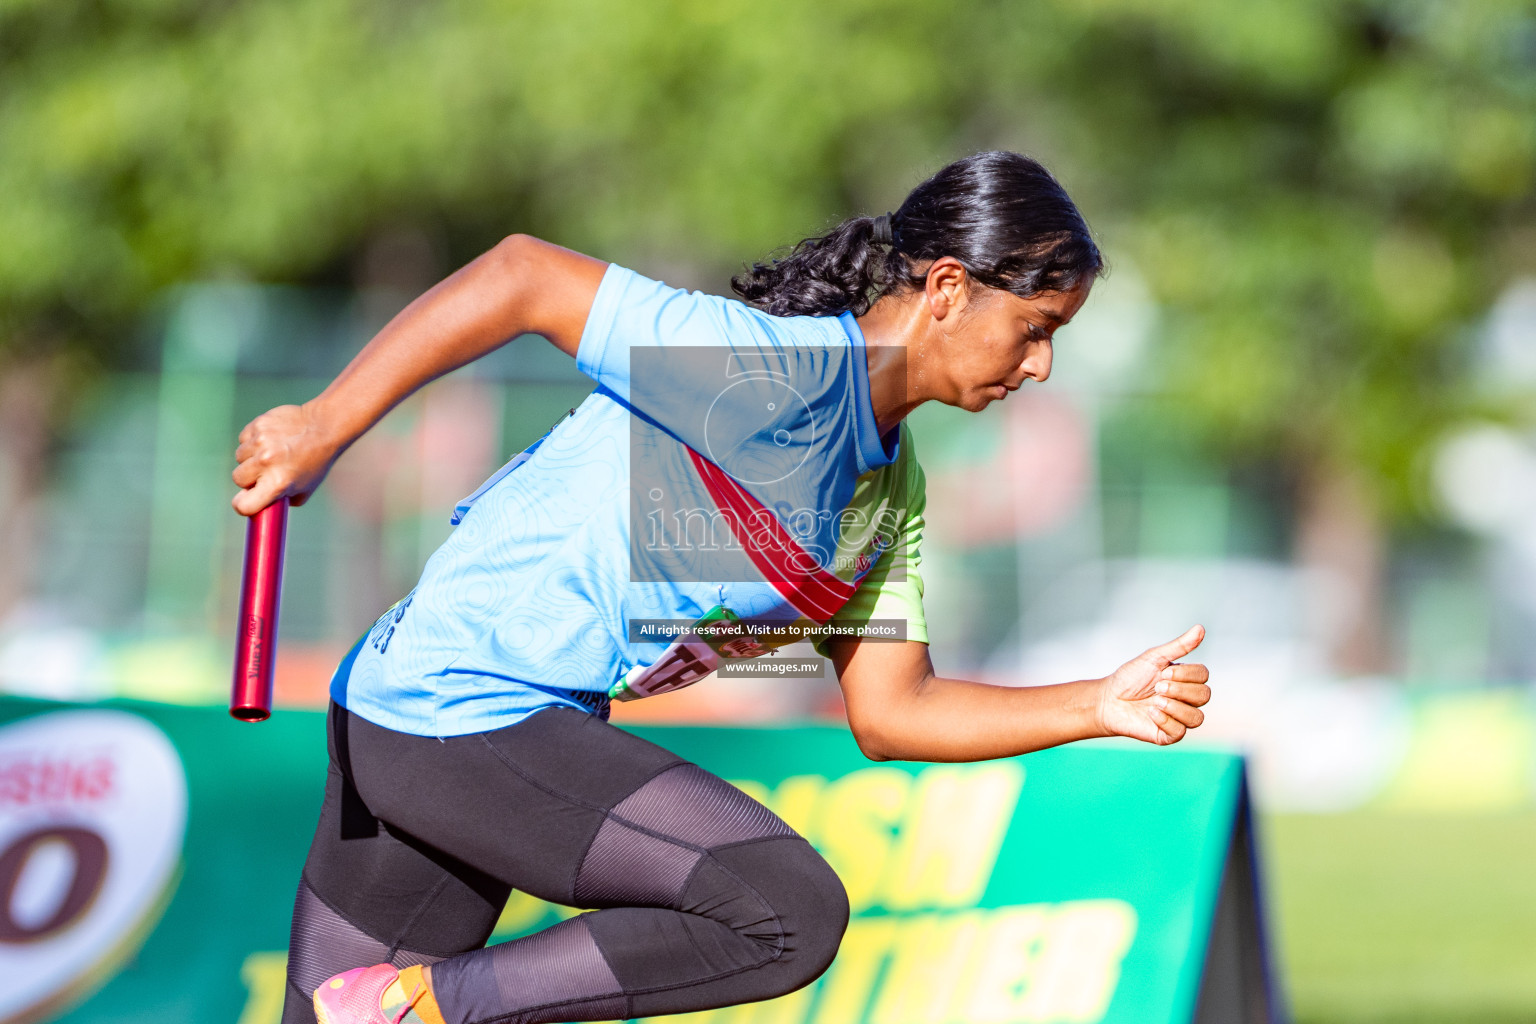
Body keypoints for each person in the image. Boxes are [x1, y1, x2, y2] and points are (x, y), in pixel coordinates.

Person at [232, 151, 1212, 1024]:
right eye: (1035, 328)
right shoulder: (770, 373)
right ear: (949, 288)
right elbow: (522, 275)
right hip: (462, 711)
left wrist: (1097, 704)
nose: (1040, 365)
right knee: (787, 909)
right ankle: (425, 1012)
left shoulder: (888, 488)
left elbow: (893, 709)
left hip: (435, 721)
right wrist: (324, 424)